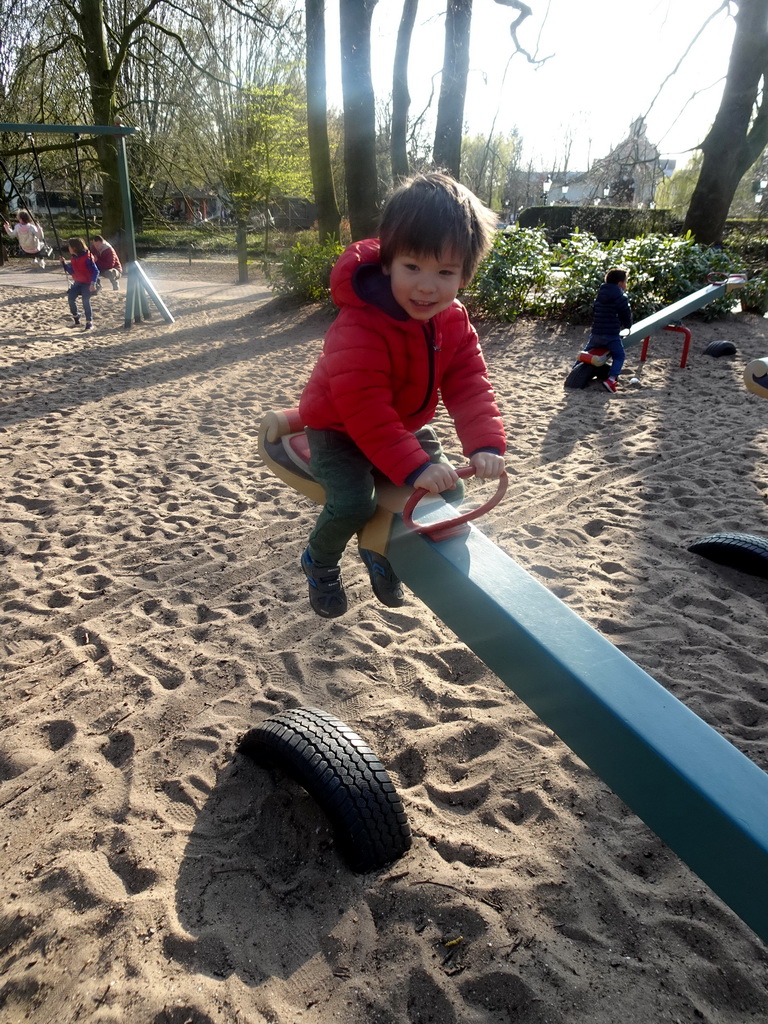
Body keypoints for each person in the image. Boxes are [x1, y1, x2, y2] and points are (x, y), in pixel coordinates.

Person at [297, 171, 507, 618]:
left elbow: (469, 384)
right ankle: (320, 561)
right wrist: (415, 466)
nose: (427, 286)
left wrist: (485, 444)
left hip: (402, 424)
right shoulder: (360, 323)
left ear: (464, 275)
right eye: (412, 267)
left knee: (448, 495)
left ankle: (382, 551)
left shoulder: (453, 319)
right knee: (354, 502)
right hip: (339, 430)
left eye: (445, 272)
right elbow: (365, 409)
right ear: (388, 261)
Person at [586, 267, 632, 393]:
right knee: (619, 356)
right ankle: (611, 380)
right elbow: (625, 314)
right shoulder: (621, 297)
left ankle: (575, 370)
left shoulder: (600, 295)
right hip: (611, 334)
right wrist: (628, 326)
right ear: (620, 284)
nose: (626, 285)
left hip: (596, 332)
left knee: (587, 351)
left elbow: (595, 310)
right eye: (626, 282)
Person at [60, 237, 99, 330]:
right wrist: (64, 264)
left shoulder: (88, 257)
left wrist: (93, 283)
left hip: (87, 283)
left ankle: (89, 322)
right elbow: (72, 271)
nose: (68, 248)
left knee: (85, 301)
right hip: (77, 283)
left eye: (69, 246)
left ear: (75, 248)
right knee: (71, 299)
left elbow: (96, 271)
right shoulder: (74, 257)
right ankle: (76, 316)